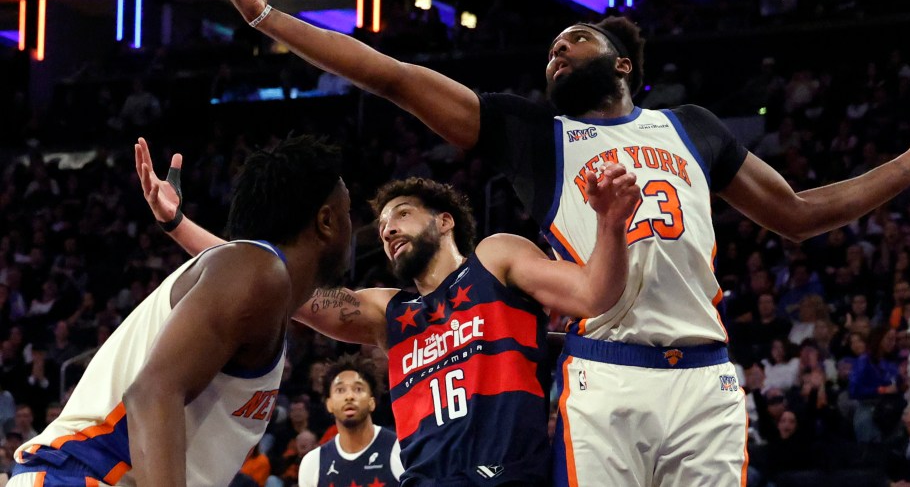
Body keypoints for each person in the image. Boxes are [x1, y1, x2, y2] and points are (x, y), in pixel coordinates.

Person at [210, 0, 910, 486]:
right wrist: (270, 19)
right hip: (605, 373)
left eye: (574, 39)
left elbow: (799, 212)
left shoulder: (692, 126)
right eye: (551, 50)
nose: (557, 51)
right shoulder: (537, 137)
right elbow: (395, 77)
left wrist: (905, 166)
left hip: (705, 374)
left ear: (623, 62)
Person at [137, 136, 639, 486]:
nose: (389, 229)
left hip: (508, 477)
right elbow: (276, 283)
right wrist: (178, 224)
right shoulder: (389, 311)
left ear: (445, 222)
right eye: (381, 226)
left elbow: (593, 295)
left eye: (402, 214)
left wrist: (610, 225)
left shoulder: (495, 258)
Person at [8, 136, 353, 487]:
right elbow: (151, 394)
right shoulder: (257, 273)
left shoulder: (255, 284)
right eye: (350, 212)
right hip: (80, 475)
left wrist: (177, 223)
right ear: (326, 221)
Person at [298, 357, 402, 487]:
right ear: (329, 404)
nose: (349, 397)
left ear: (372, 402)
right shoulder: (313, 463)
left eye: (358, 389)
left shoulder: (400, 450)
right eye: (340, 390)